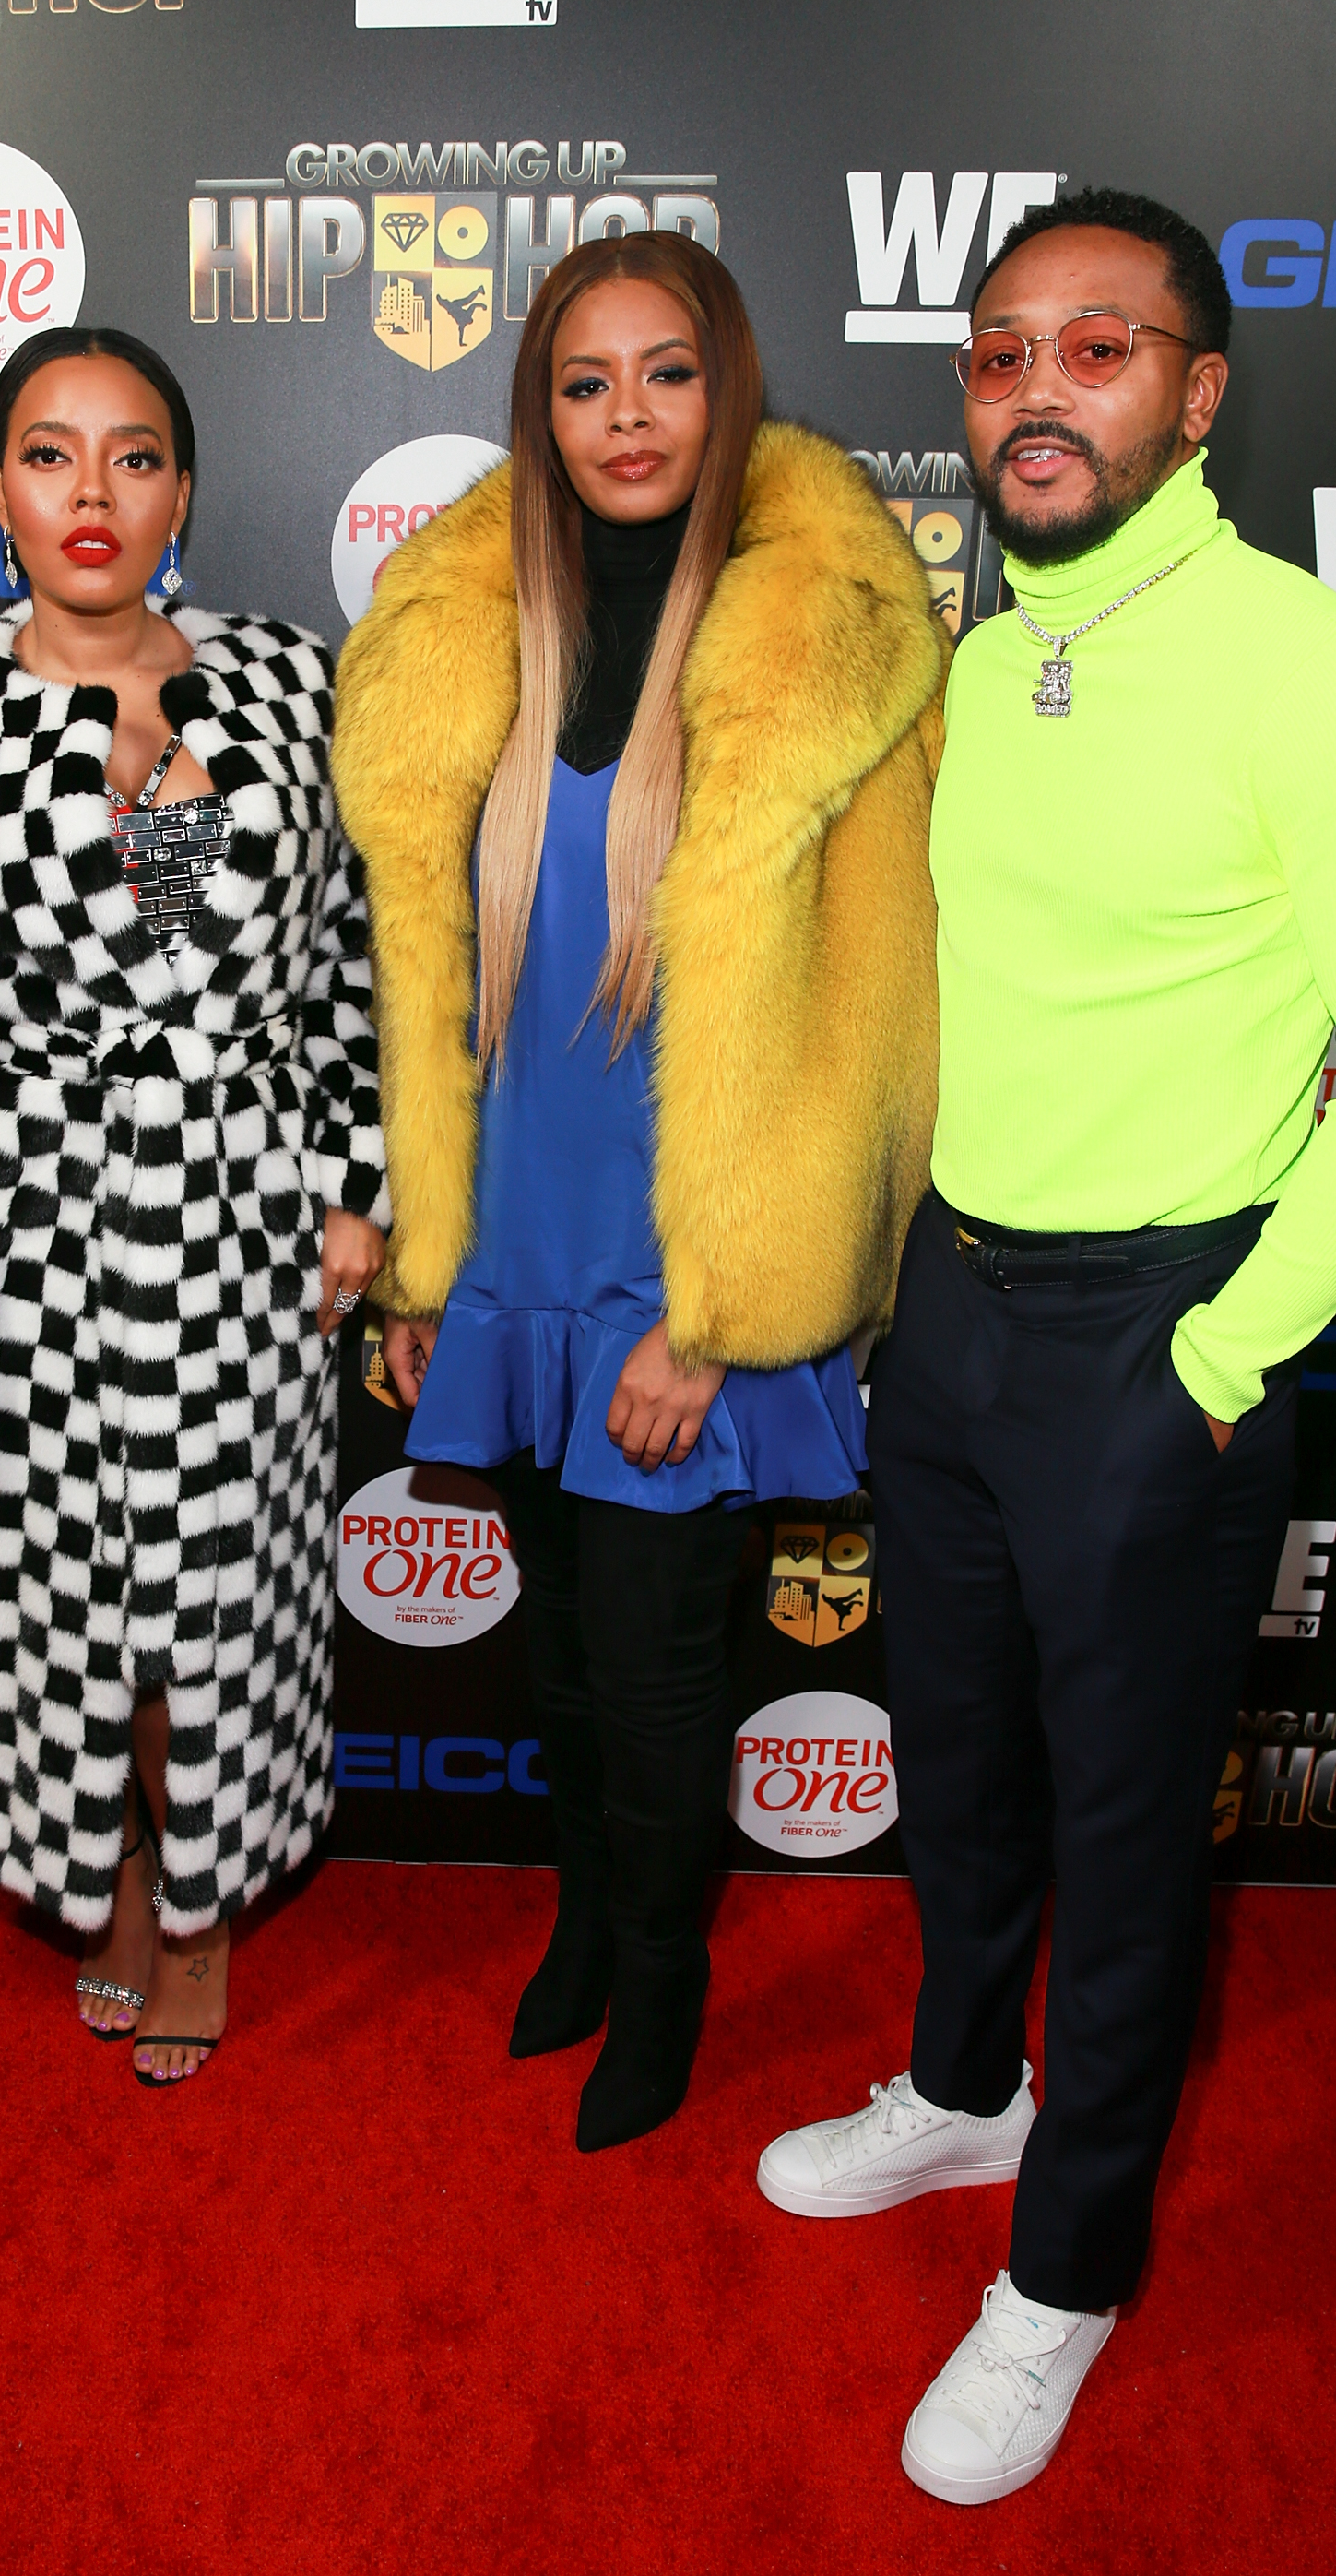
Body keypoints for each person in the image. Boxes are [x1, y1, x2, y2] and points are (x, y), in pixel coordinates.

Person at [755, 187, 1336, 2505]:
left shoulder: (1289, 653)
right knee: (961, 1767)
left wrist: (1233, 1349)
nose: (1030, 389)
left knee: (1118, 1831)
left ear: (1197, 394)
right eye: (996, 351)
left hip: (1163, 1334)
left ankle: (1067, 2270)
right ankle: (961, 2098)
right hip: (959, 1306)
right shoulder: (981, 660)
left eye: (1093, 349)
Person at [333, 231, 946, 2152]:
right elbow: (423, 989)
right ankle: (588, 1924)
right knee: (563, 1656)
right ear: (538, 407)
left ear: (725, 383)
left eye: (663, 372)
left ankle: (663, 1985)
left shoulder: (823, 638)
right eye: (583, 381)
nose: (623, 416)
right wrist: (428, 1253)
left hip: (692, 1266)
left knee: (667, 1665)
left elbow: (874, 1023)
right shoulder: (458, 632)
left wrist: (721, 1312)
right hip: (508, 1252)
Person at [0, 326, 386, 2085]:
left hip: (239, 1225)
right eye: (49, 455)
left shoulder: (294, 684)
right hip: (20, 1236)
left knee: (211, 1594)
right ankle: (121, 1871)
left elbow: (351, 970)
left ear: (182, 491)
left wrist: (352, 1188)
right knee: (65, 1594)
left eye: (132, 456)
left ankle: (202, 1899)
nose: (92, 493)